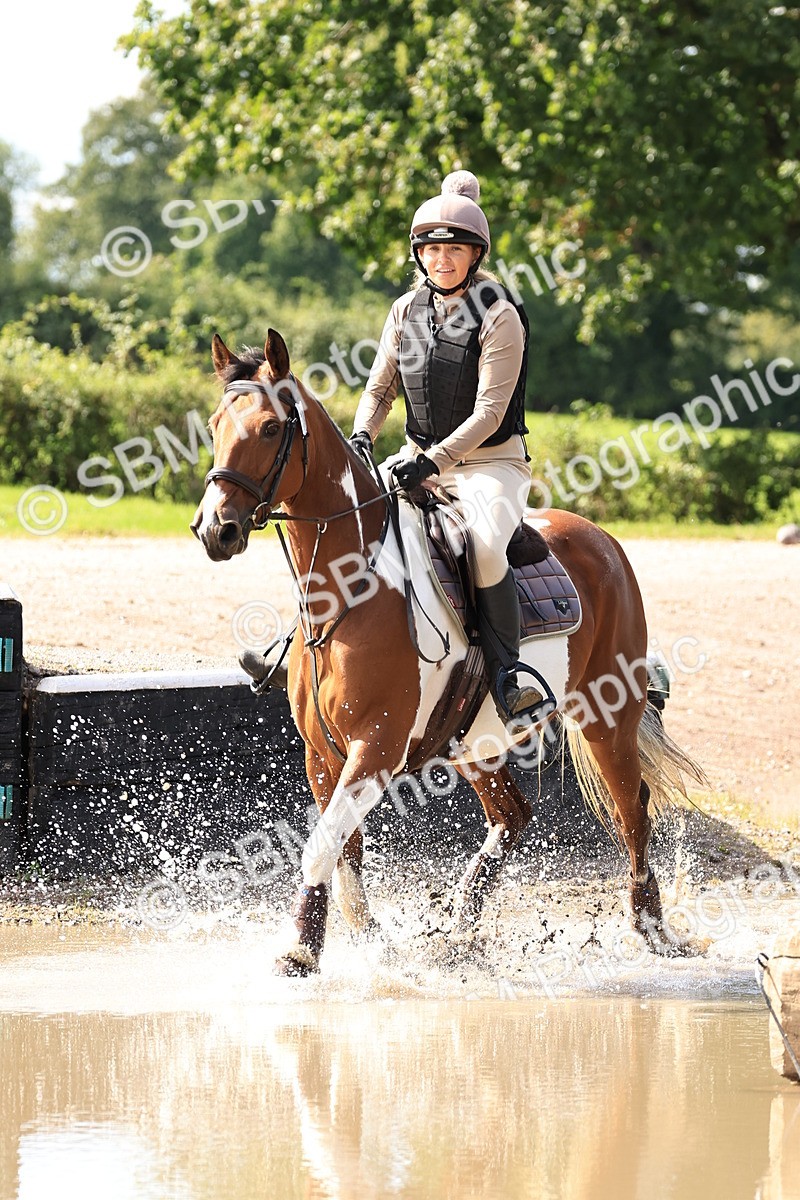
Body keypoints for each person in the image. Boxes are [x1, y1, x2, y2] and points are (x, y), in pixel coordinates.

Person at [350, 170, 545, 720]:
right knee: (348, 518)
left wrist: (432, 460)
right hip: (417, 460)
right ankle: (300, 644)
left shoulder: (499, 315)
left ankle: (509, 674)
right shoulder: (403, 311)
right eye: (433, 250)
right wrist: (364, 430)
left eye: (455, 249)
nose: (443, 259)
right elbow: (381, 386)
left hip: (490, 466)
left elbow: (489, 413)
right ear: (419, 255)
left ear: (475, 254)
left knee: (483, 543)